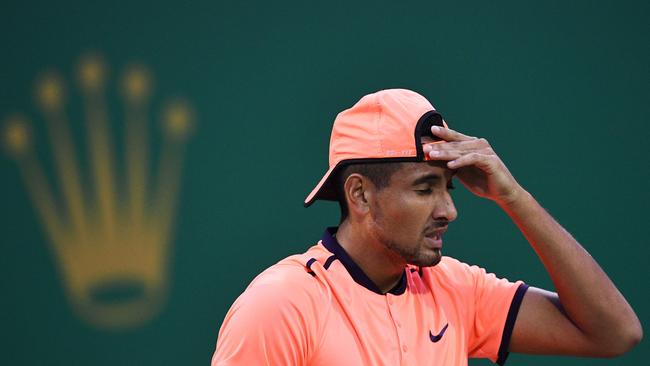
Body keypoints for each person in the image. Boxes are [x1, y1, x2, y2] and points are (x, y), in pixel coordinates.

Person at [211, 89, 642, 365]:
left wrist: (513, 197)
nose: (449, 210)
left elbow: (614, 333)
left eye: (449, 187)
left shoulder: (455, 288)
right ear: (360, 195)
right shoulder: (282, 304)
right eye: (425, 188)